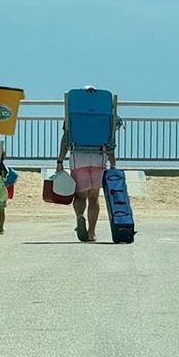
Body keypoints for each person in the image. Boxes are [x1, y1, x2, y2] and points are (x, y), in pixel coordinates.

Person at [57, 86, 118, 243]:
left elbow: (65, 139)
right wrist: (113, 163)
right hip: (99, 156)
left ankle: (79, 216)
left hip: (79, 156)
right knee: (94, 197)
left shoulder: (72, 116)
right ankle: (92, 233)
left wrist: (59, 161)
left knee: (80, 195)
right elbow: (110, 142)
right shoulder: (106, 116)